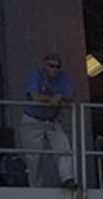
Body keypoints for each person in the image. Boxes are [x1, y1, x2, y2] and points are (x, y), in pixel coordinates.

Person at [17, 52, 76, 188]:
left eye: (57, 66)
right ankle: (35, 188)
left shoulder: (64, 77)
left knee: (63, 147)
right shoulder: (36, 75)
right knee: (34, 158)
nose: (54, 69)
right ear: (45, 65)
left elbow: (72, 97)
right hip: (32, 120)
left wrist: (60, 96)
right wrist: (52, 99)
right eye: (51, 66)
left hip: (51, 121)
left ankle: (67, 179)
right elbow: (34, 96)